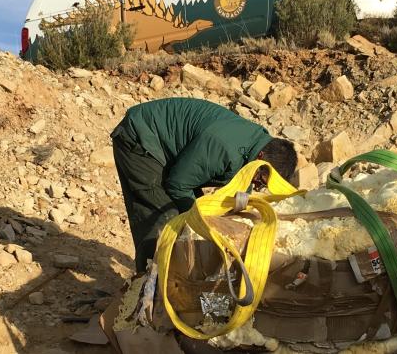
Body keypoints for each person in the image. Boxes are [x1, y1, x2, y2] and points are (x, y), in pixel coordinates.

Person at [110, 97, 298, 272]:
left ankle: (176, 276)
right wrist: (201, 222)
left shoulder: (258, 145)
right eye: (260, 181)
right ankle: (150, 284)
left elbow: (240, 188)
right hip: (141, 139)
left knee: (199, 216)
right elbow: (178, 184)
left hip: (170, 150)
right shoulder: (224, 148)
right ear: (261, 158)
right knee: (167, 220)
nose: (257, 186)